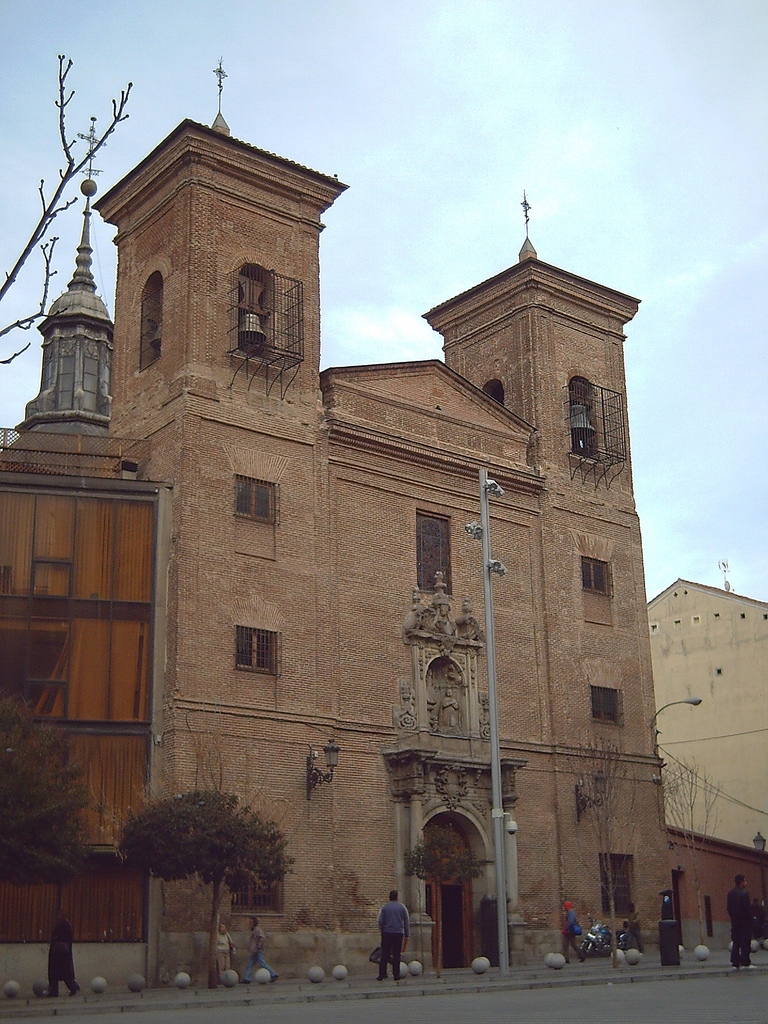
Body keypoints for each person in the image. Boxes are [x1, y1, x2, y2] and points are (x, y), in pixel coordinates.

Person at [376, 890, 410, 980]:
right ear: (397, 897)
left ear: (389, 897)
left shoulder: (384, 907)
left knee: (384, 954)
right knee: (396, 954)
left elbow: (380, 920)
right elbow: (406, 921)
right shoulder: (402, 907)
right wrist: (407, 934)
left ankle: (382, 974)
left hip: (387, 933)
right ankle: (396, 975)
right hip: (398, 933)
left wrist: (382, 930)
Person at [47, 911, 80, 997]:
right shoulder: (67, 926)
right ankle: (73, 987)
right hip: (65, 950)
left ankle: (54, 991)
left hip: (57, 951)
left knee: (54, 972)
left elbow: (55, 938)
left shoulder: (60, 926)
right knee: (66, 972)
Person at [727, 874, 755, 969]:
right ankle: (745, 962)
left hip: (735, 922)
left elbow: (729, 908)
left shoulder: (730, 893)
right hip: (744, 922)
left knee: (736, 942)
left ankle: (735, 962)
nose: (745, 883)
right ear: (741, 882)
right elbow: (747, 909)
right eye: (744, 881)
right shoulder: (744, 894)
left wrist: (733, 917)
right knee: (745, 943)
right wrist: (751, 920)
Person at [242, 916, 277, 982]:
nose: (249, 924)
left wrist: (258, 946)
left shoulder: (257, 930)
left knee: (262, 963)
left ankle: (273, 974)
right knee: (250, 964)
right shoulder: (254, 930)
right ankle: (247, 978)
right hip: (254, 950)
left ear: (254, 923)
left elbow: (262, 938)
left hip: (257, 950)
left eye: (251, 922)